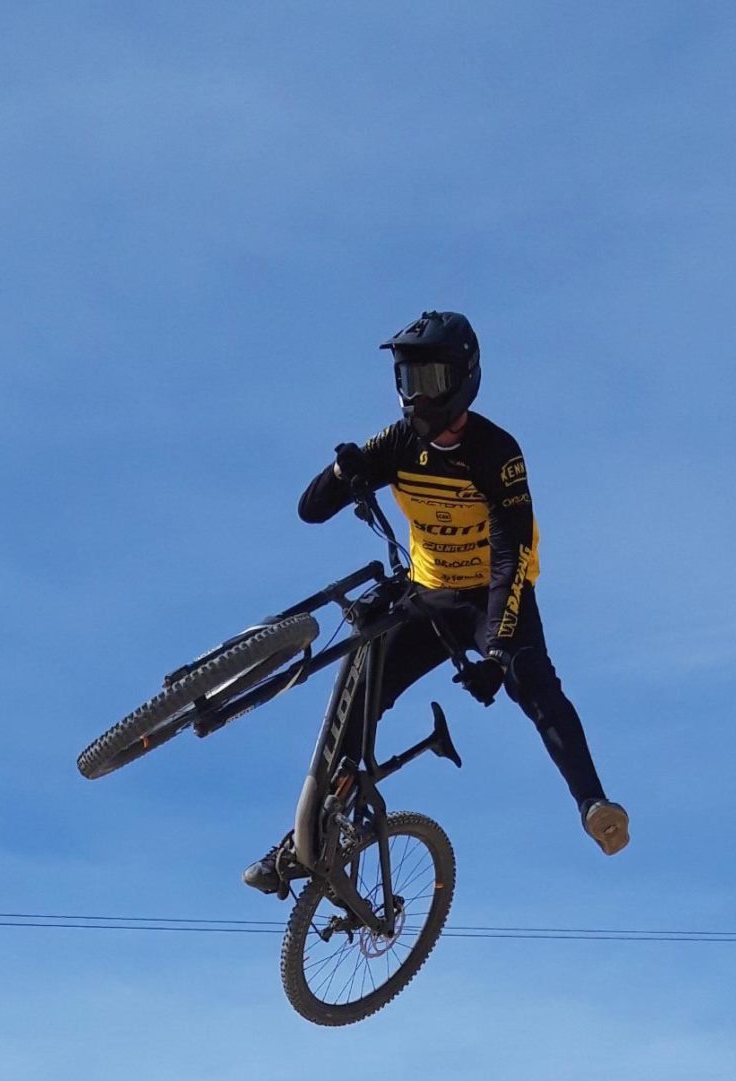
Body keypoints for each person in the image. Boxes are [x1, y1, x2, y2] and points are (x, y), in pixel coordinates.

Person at [244, 310, 630, 895]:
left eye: (430, 381)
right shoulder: (398, 442)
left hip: (493, 597)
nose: (417, 397)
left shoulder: (497, 452)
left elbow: (511, 555)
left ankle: (593, 804)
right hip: (428, 594)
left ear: (464, 379)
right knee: (358, 698)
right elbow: (311, 510)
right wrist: (340, 471)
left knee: (532, 683)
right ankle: (307, 838)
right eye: (408, 380)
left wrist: (496, 654)